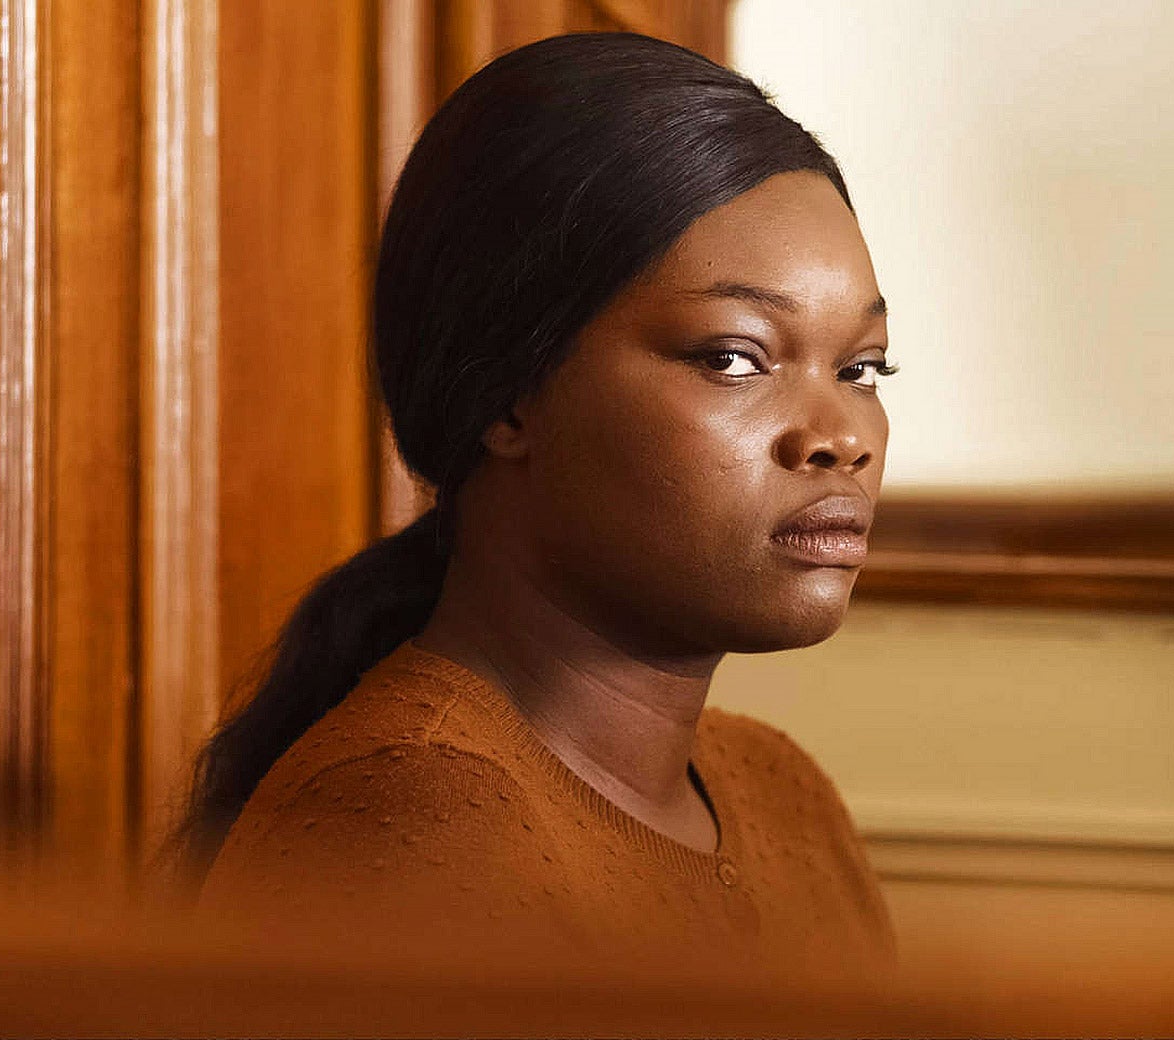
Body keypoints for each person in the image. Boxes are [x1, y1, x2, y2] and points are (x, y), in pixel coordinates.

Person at [187, 31, 896, 975]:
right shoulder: (405, 833)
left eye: (863, 367)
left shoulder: (783, 795)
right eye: (734, 356)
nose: (839, 436)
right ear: (510, 392)